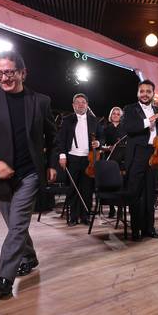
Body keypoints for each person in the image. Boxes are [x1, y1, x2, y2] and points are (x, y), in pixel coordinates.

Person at [0, 50, 57, 296]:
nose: (4, 78)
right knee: (14, 225)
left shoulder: (40, 101)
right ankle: (30, 258)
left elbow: (53, 137)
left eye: (9, 72)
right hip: (1, 176)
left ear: (22, 73)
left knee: (17, 224)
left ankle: (4, 278)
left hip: (29, 173)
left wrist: (52, 164)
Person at [121, 79, 158, 241]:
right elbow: (129, 129)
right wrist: (149, 121)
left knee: (150, 194)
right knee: (135, 194)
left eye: (148, 91)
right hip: (137, 155)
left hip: (154, 153)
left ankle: (149, 229)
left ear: (153, 94)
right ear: (138, 93)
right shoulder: (129, 109)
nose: (145, 94)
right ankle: (136, 230)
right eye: (142, 91)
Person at [57, 93, 104, 226]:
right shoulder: (67, 120)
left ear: (87, 105)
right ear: (73, 105)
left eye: (83, 102)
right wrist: (62, 155)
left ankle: (85, 216)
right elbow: (61, 140)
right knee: (73, 188)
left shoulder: (95, 120)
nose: (80, 104)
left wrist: (99, 143)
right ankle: (73, 216)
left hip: (88, 159)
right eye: (77, 102)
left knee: (87, 189)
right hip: (72, 157)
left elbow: (102, 137)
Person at [103, 106, 126, 218]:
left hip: (122, 160)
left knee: (121, 185)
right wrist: (108, 147)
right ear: (111, 116)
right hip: (110, 159)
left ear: (121, 116)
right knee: (111, 185)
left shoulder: (125, 129)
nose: (116, 115)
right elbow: (103, 144)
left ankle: (121, 210)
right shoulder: (105, 128)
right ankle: (112, 209)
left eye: (118, 114)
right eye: (114, 113)